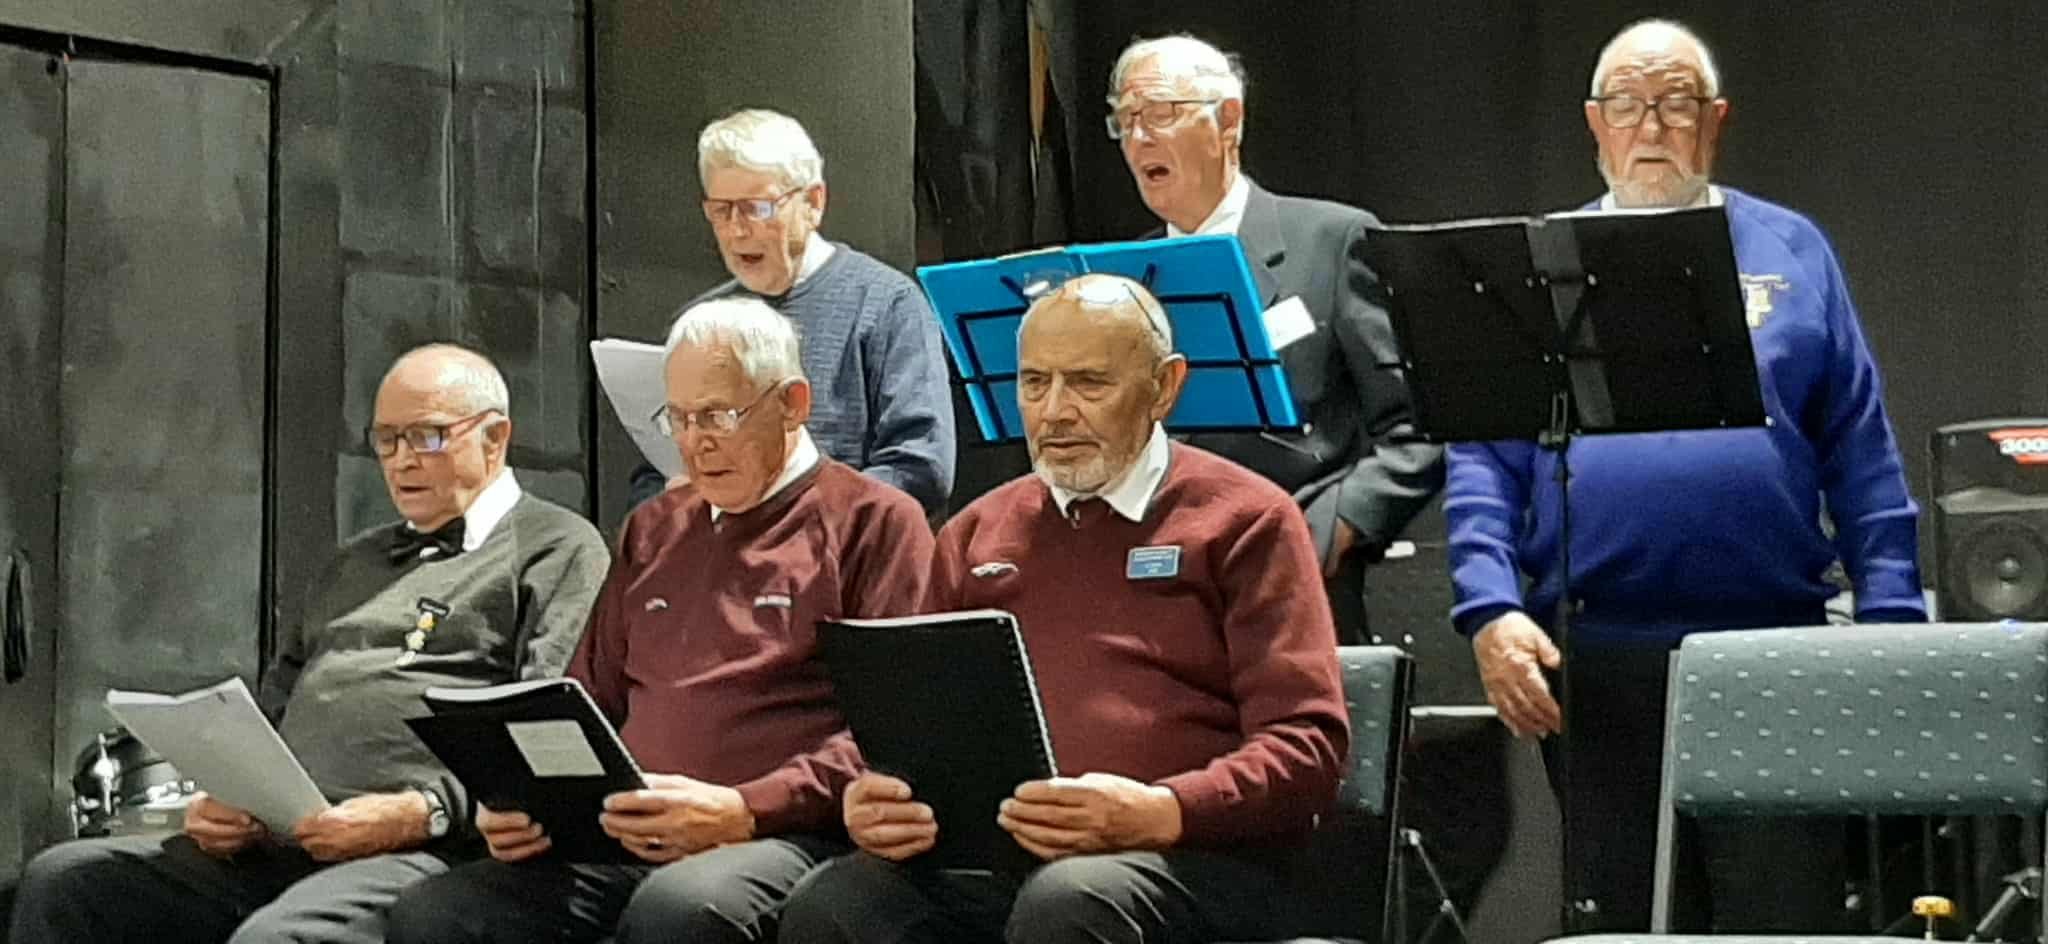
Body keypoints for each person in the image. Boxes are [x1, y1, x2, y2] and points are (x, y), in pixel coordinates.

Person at [1445, 18, 1925, 933]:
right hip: (1595, 661)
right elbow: (1481, 462)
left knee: (1779, 919)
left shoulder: (1793, 250)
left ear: (1717, 119)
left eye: (1675, 103)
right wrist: (1490, 607)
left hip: (1778, 655)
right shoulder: (1539, 268)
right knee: (1622, 922)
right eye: (1627, 104)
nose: (1652, 126)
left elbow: (1862, 452)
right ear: (1594, 122)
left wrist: (1891, 631)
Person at [778, 274, 1349, 944]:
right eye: (1033, 383)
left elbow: (1306, 749)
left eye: (1088, 383)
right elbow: (911, 732)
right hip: (999, 860)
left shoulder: (1246, 521)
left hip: (1195, 859)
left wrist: (1161, 811)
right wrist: (878, 795)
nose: (1053, 411)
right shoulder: (975, 533)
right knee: (836, 903)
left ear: (1164, 387)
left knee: (1069, 901)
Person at [9, 344, 610, 944]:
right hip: (285, 835)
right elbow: (272, 708)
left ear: (496, 437)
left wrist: (422, 811)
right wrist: (226, 796)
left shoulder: (555, 548)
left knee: (277, 939)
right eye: (385, 440)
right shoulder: (355, 562)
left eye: (426, 437)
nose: (401, 462)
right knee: (65, 881)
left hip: (427, 846)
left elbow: (541, 735)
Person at [386, 297, 935, 944]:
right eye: (678, 417)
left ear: (792, 404)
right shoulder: (654, 529)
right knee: (438, 914)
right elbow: (586, 697)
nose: (695, 441)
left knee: (679, 912)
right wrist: (530, 803)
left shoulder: (874, 522)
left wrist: (745, 808)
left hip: (785, 832)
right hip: (627, 828)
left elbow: (899, 729)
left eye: (719, 416)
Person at [1107, 34, 1443, 645]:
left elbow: (1417, 430)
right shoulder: (1123, 276)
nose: (1138, 139)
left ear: (1228, 119)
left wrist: (1338, 526)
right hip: (1155, 595)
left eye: (1160, 113)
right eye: (1125, 120)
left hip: (1293, 583)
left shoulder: (1332, 240)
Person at [625, 108, 954, 516]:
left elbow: (920, 467)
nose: (736, 230)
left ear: (813, 202)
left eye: (756, 208)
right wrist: (676, 504)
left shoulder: (887, 304)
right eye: (721, 211)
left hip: (844, 561)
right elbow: (650, 478)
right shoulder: (701, 322)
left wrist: (788, 512)